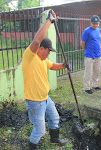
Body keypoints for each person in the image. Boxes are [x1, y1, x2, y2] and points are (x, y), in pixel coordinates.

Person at [22, 10, 69, 150]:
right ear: (41, 49)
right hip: (35, 102)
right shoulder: (30, 57)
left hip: (45, 98)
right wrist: (49, 20)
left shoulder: (43, 60)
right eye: (48, 50)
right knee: (40, 130)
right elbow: (36, 40)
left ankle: (54, 139)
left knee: (55, 118)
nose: (49, 53)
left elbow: (53, 66)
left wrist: (63, 65)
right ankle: (32, 147)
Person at [81, 15, 101, 94]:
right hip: (89, 56)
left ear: (99, 23)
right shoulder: (86, 31)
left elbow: (98, 41)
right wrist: (87, 51)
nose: (95, 25)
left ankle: (95, 85)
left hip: (98, 55)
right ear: (90, 23)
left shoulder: (99, 31)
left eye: (97, 24)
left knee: (97, 71)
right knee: (88, 72)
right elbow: (83, 43)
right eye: (94, 24)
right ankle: (87, 88)